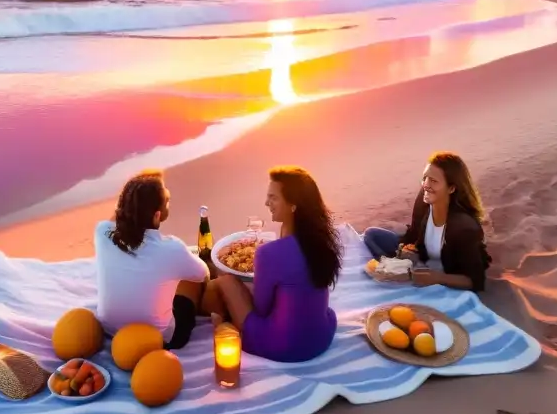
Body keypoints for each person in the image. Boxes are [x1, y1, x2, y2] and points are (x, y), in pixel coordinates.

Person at [212, 166, 341, 363]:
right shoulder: (322, 241)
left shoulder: (268, 253)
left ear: (293, 205)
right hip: (321, 337)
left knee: (225, 281)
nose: (266, 203)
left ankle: (220, 321)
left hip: (283, 347)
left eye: (273, 198)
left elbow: (261, 309)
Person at [94, 169, 212, 350]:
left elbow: (118, 218)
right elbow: (203, 275)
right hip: (160, 340)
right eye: (167, 201)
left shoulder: (102, 232)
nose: (169, 203)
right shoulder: (172, 248)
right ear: (157, 215)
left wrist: (136, 191)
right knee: (192, 279)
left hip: (110, 330)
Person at [363, 151, 491, 292]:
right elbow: (414, 233)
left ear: (451, 188)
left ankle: (396, 274)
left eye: (434, 181)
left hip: (445, 275)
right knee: (371, 235)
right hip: (420, 264)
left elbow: (476, 281)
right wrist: (406, 249)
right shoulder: (424, 200)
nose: (426, 185)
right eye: (425, 178)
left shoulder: (464, 227)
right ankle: (395, 271)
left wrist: (437, 278)